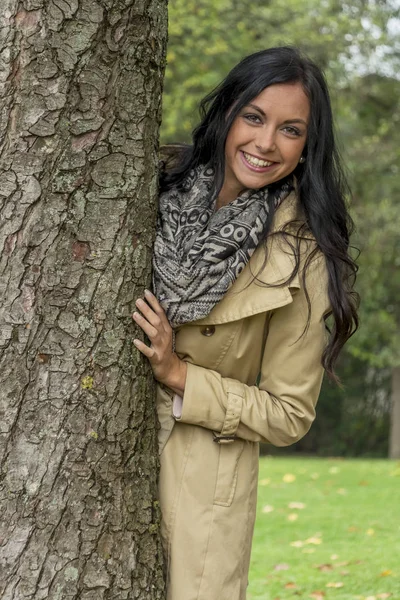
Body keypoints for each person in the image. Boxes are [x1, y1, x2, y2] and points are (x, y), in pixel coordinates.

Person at [132, 46, 358, 600]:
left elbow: (289, 413)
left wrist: (181, 375)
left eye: (290, 129)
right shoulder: (150, 184)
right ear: (227, 112)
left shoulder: (304, 256)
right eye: (254, 117)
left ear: (307, 147)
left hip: (204, 489)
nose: (264, 143)